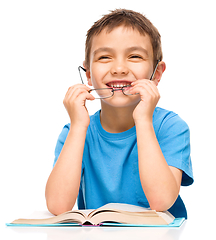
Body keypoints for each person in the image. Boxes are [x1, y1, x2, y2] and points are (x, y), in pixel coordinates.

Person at [45, 9, 193, 218]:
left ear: (157, 74)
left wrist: (143, 120)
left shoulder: (170, 127)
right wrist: (78, 126)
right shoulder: (74, 131)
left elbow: (161, 201)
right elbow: (58, 207)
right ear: (88, 74)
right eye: (105, 57)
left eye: (134, 56)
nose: (119, 68)